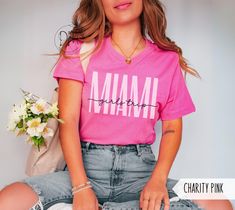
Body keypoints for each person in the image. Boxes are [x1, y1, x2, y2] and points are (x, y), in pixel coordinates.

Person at [0, 0, 233, 210]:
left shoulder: (166, 60)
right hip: (84, 169)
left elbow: (172, 127)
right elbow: (68, 122)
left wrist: (158, 180)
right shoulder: (79, 50)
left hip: (142, 173)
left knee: (218, 200)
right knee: (8, 199)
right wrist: (81, 188)